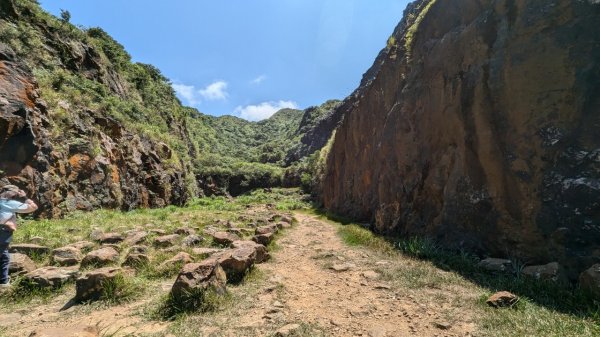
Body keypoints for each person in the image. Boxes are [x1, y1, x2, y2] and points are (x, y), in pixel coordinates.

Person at [0, 185, 38, 288]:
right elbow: (33, 207)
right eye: (15, 193)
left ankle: (3, 281)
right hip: (3, 231)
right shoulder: (9, 203)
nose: (15, 195)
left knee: (4, 256)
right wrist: (24, 197)